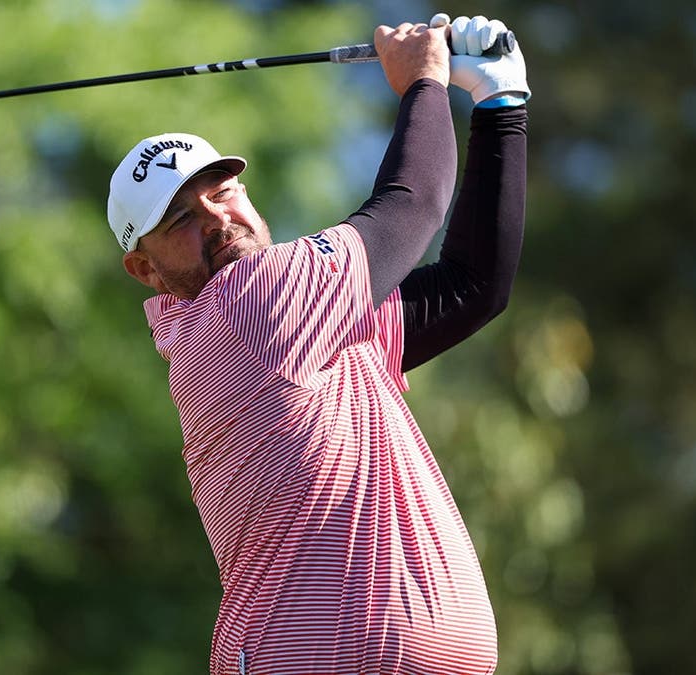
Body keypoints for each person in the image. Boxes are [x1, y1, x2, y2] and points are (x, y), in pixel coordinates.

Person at [105, 12, 529, 675]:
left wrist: (501, 108)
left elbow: (472, 287)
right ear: (145, 268)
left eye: (223, 190)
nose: (218, 219)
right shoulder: (245, 309)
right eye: (182, 218)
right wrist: (423, 78)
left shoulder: (310, 329)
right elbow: (411, 206)